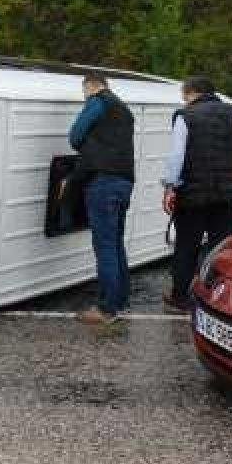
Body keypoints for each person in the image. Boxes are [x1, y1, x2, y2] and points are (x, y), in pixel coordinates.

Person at [161, 76, 232, 312]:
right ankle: (216, 295)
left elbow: (176, 157)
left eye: (184, 95)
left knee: (187, 245)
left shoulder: (185, 117)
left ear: (192, 93)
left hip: (193, 195)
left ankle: (180, 297)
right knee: (220, 246)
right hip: (228, 196)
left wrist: (170, 186)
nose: (183, 100)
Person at [62, 71, 136, 327]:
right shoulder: (124, 110)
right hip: (124, 182)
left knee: (104, 246)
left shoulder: (97, 102)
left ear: (89, 86)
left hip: (102, 183)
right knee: (116, 243)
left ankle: (106, 309)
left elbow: (74, 136)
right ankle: (121, 301)